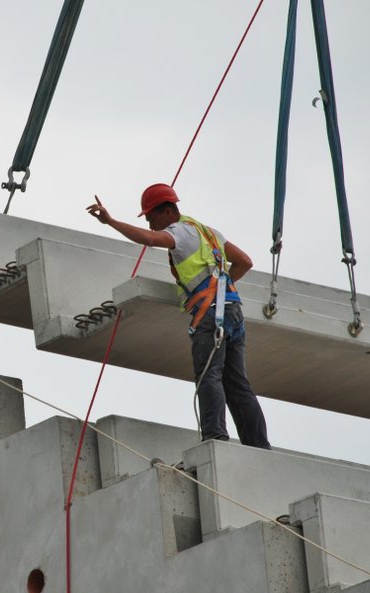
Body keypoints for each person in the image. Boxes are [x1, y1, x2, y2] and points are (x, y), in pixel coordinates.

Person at [86, 183, 271, 449]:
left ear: (169, 211)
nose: (151, 225)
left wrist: (111, 221)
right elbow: (245, 261)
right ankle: (258, 446)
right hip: (232, 310)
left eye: (151, 218)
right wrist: (220, 286)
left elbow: (149, 240)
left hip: (210, 313)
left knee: (209, 375)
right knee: (238, 384)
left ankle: (215, 439)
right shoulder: (208, 232)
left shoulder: (180, 232)